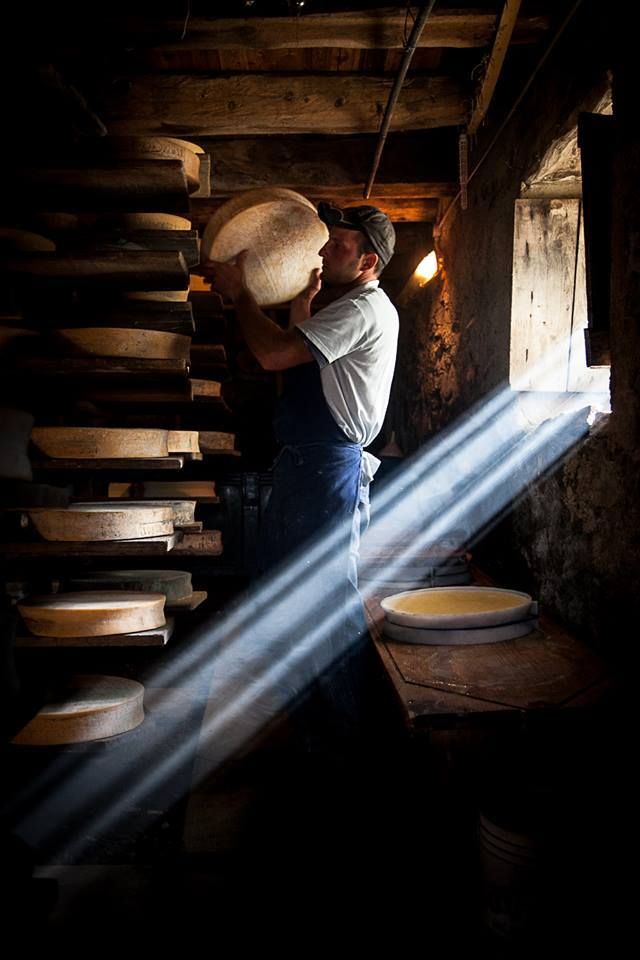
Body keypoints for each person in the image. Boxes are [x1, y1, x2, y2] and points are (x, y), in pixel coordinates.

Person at [200, 201, 399, 750]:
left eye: (337, 244)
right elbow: (303, 359)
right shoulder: (348, 309)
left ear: (368, 262)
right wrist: (302, 306)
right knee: (282, 599)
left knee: (324, 607)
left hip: (325, 470)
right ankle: (318, 730)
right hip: (306, 466)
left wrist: (241, 295)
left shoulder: (363, 309)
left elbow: (273, 356)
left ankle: (354, 743)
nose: (321, 250)